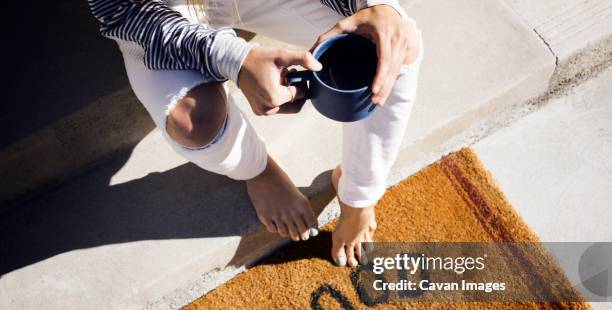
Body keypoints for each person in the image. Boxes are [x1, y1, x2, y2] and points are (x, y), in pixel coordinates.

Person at [88, 0, 422, 267]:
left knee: (393, 43)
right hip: (158, 9)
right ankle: (260, 171)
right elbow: (120, 9)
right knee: (194, 120)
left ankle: (358, 197)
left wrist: (379, 5)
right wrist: (234, 58)